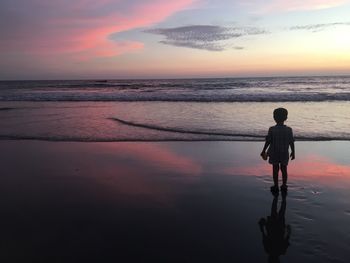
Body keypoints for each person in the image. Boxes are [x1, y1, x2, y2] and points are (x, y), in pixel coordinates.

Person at [261, 108, 295, 193]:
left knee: (275, 169)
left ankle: (276, 185)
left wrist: (264, 150)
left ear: (274, 118)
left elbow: (268, 141)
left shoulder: (272, 129)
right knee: (284, 169)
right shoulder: (289, 130)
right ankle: (284, 185)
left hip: (274, 152)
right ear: (286, 118)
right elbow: (291, 142)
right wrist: (293, 152)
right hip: (284, 153)